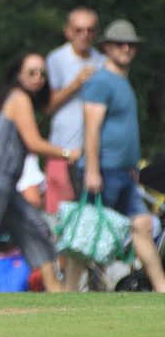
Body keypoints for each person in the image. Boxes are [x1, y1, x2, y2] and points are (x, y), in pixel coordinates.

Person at [0, 53, 80, 292]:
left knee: (36, 229)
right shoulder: (18, 98)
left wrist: (75, 85)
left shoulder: (23, 99)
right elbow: (34, 143)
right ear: (19, 74)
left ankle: (55, 291)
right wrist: (67, 153)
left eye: (42, 73)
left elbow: (49, 106)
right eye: (32, 72)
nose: (38, 78)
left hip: (7, 184)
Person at [69, 19, 165, 292]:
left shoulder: (122, 82)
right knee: (86, 235)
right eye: (119, 44)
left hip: (123, 173)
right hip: (102, 171)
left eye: (131, 44)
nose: (126, 48)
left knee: (143, 225)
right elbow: (92, 127)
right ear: (106, 47)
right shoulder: (101, 81)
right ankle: (65, 294)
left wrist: (131, 165)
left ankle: (161, 290)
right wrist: (92, 170)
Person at [45, 7, 104, 215]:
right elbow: (47, 106)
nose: (84, 35)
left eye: (90, 30)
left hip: (94, 153)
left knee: (90, 217)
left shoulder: (102, 61)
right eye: (79, 30)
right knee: (60, 216)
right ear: (68, 31)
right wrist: (75, 83)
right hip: (62, 149)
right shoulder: (56, 59)